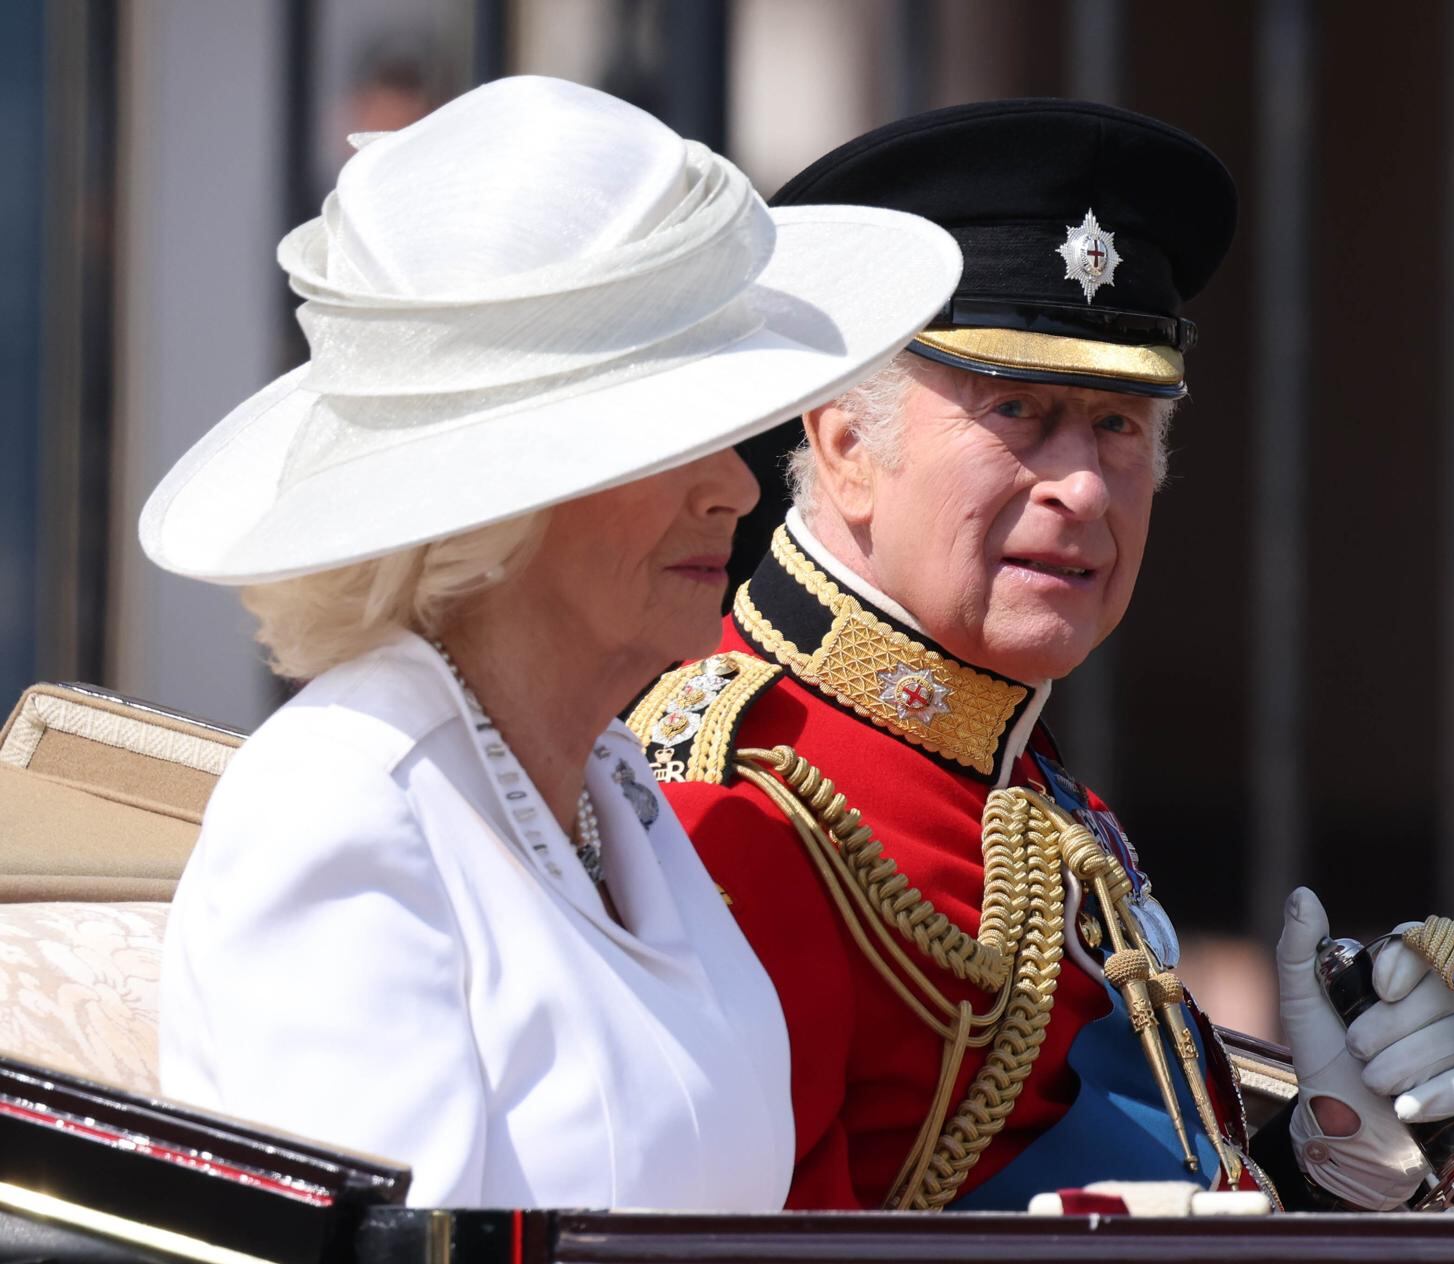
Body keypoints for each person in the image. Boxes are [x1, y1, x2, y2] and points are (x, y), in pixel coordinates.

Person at [629, 99, 1454, 1213]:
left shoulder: (1006, 761)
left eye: (1121, 424)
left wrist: (1333, 1152)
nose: (1081, 485)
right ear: (846, 447)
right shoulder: (738, 795)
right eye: (1019, 408)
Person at [140, 76, 960, 1210]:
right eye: (670, 438)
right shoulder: (341, 806)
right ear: (497, 499)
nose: (732, 488)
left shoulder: (608, 780)